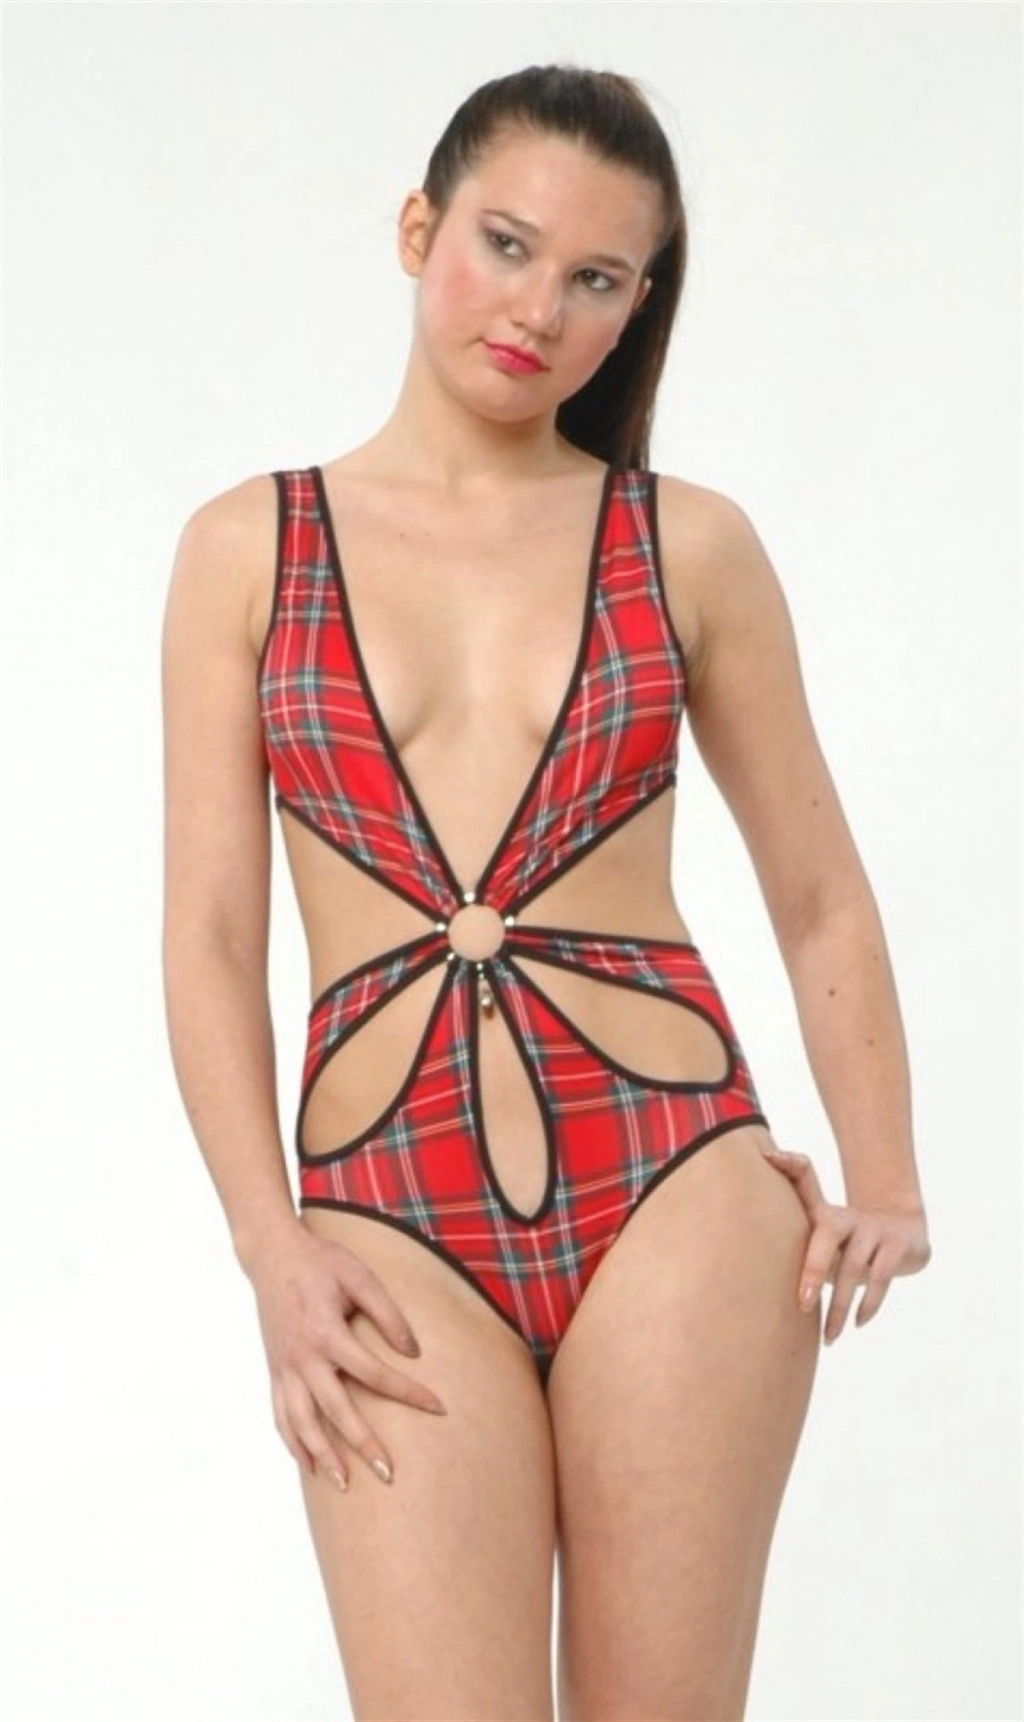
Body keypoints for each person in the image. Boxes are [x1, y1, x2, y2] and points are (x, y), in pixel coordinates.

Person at [161, 63, 931, 1722]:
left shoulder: (689, 544)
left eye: (595, 278)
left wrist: (889, 1175)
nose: (537, 311)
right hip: (382, 1207)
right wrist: (267, 1247)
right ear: (418, 228)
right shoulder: (247, 547)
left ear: (638, 304)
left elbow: (819, 891)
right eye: (505, 246)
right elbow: (213, 937)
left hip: (677, 1179)